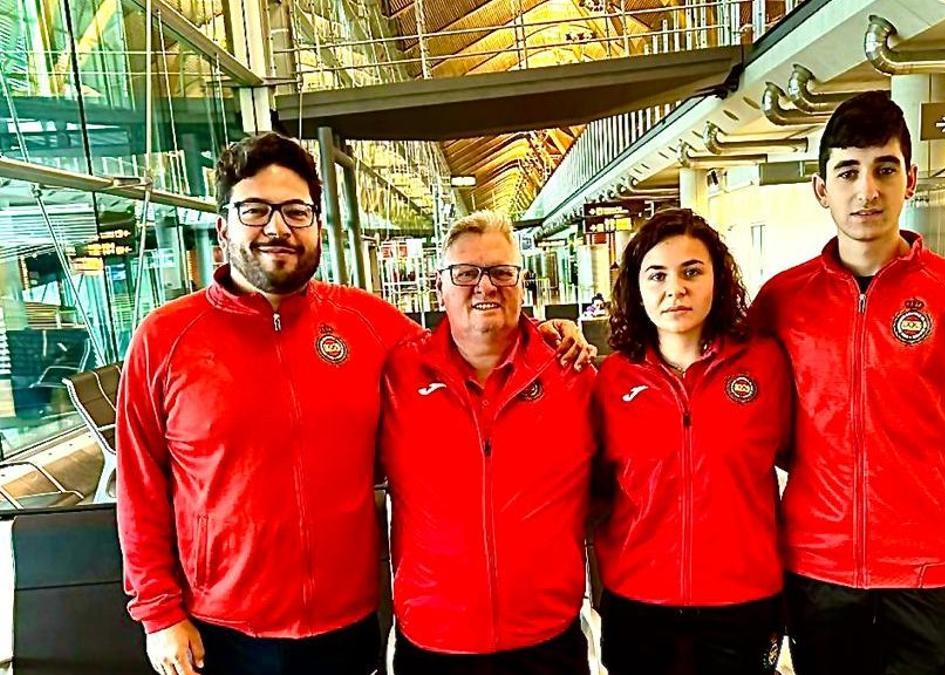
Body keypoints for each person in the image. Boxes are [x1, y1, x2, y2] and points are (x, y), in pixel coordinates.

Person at [116, 133, 594, 675]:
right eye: (255, 210)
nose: (277, 228)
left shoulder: (368, 325)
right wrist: (158, 612)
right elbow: (139, 485)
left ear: (318, 225)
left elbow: (463, 347)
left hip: (346, 624)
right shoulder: (165, 339)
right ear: (224, 226)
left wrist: (547, 339)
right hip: (221, 628)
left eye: (296, 211)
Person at [749, 91, 945, 675]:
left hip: (929, 575)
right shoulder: (782, 301)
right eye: (848, 171)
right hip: (818, 575)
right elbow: (740, 407)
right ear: (822, 189)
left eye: (885, 168)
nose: (866, 190)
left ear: (911, 179)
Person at [379, 210, 596, 675]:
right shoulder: (396, 375)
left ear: (521, 283)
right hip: (436, 641)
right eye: (466, 273)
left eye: (501, 272)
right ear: (440, 287)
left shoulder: (573, 375)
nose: (485, 286)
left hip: (546, 638)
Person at [592, 208, 792, 674]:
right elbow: (595, 490)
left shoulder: (766, 365)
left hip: (743, 604)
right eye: (656, 275)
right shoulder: (610, 381)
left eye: (692, 271)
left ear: (717, 280)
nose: (674, 289)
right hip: (639, 604)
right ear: (636, 289)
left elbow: (803, 458)